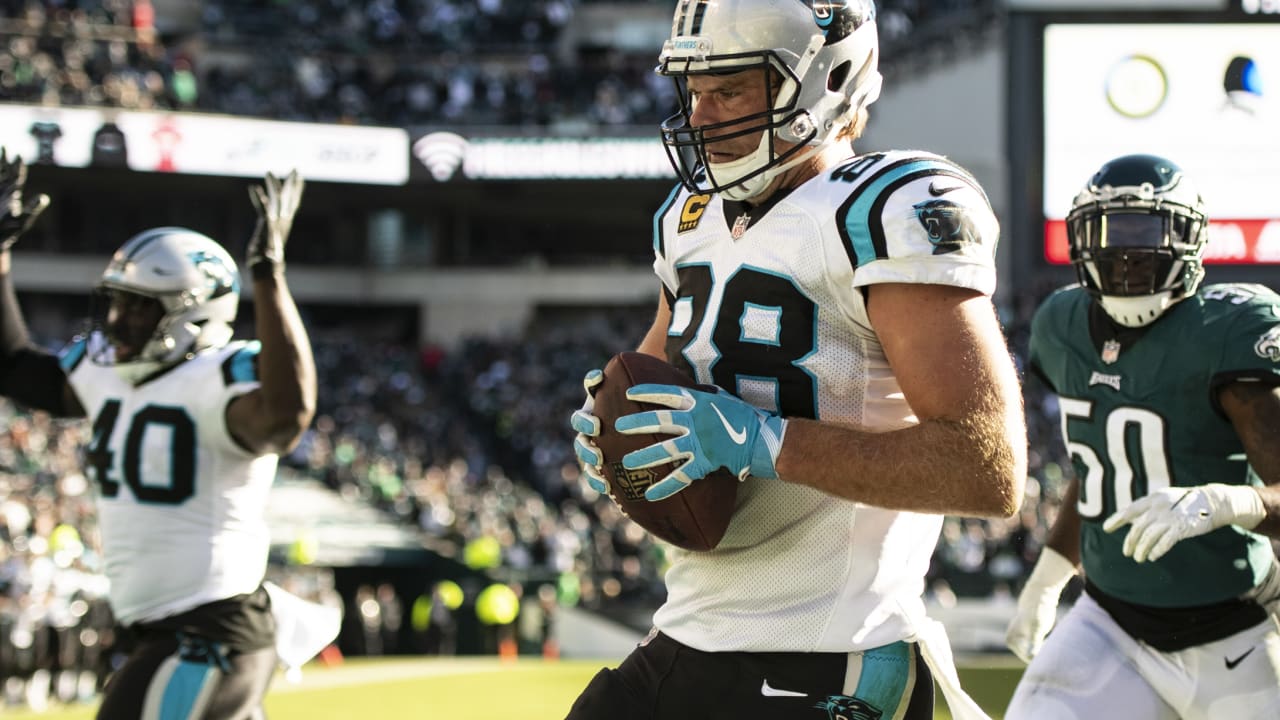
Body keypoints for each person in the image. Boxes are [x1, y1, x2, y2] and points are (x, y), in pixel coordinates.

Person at [567, 2, 1027, 719]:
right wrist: (617, 431)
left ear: (823, 83)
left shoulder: (883, 210)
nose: (703, 112)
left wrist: (765, 441)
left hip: (829, 649)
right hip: (688, 631)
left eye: (731, 89)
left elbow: (987, 466)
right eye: (694, 90)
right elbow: (653, 376)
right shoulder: (687, 220)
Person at [0, 149, 318, 720]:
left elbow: (286, 417)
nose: (119, 323)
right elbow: (13, 365)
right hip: (160, 631)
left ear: (191, 313)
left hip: (209, 629)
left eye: (139, 309)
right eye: (117, 304)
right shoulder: (105, 375)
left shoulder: (216, 377)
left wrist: (270, 278)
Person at [1004, 154, 1280, 719]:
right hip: (1110, 622)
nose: (1126, 254)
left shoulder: (1226, 332)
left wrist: (1226, 502)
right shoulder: (1061, 325)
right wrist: (1049, 578)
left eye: (1147, 235)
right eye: (1107, 234)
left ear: (1190, 239)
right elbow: (1101, 468)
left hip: (1237, 626)